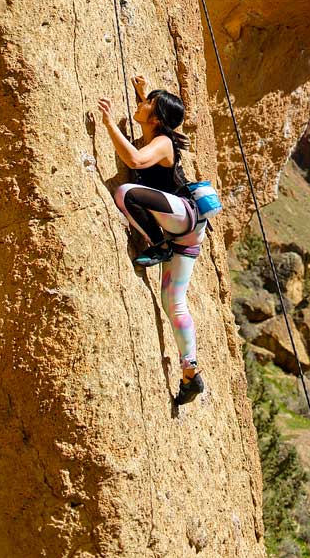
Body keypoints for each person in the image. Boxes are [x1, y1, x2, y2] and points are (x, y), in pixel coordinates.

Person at [97, 74, 206, 407]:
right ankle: (191, 373)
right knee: (173, 302)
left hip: (181, 218)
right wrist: (144, 94)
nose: (140, 106)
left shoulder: (163, 142)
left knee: (125, 193)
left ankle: (157, 245)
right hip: (188, 232)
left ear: (157, 118)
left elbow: (135, 160)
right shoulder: (157, 133)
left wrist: (107, 124)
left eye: (146, 105)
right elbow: (149, 127)